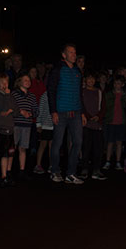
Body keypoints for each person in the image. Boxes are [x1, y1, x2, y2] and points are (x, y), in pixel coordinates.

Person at [47, 43, 86, 184]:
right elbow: (51, 91)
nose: (74, 55)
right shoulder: (57, 70)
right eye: (70, 52)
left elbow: (79, 94)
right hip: (61, 112)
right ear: (64, 55)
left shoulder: (77, 71)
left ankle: (71, 173)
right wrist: (53, 111)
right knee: (57, 143)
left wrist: (81, 113)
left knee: (77, 142)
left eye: (75, 52)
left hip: (75, 112)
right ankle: (55, 171)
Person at [0, 72, 19, 187]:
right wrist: (7, 101)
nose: (5, 85)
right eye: (2, 83)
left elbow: (16, 110)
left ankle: (4, 175)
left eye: (6, 82)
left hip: (9, 128)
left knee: (6, 154)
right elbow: (1, 109)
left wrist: (10, 110)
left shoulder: (11, 97)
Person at [11, 74, 38, 180]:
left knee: (23, 148)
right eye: (25, 80)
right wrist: (21, 112)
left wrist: (32, 113)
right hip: (16, 124)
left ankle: (22, 170)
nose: (28, 81)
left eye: (29, 80)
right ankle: (9, 169)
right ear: (19, 82)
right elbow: (11, 107)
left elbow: (36, 109)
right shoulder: (14, 94)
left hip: (27, 125)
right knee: (13, 148)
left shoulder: (32, 96)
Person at [81, 72, 106, 180]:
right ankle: (84, 169)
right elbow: (80, 105)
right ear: (85, 80)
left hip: (97, 123)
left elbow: (103, 107)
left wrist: (98, 116)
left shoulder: (99, 92)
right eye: (89, 79)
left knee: (98, 148)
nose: (91, 81)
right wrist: (88, 116)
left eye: (92, 79)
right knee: (86, 147)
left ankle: (96, 169)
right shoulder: (82, 92)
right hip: (86, 123)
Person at [102, 75, 126, 170]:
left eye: (119, 84)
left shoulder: (125, 95)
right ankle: (108, 161)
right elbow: (106, 107)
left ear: (122, 84)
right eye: (116, 83)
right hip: (111, 121)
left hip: (121, 122)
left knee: (119, 143)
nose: (117, 85)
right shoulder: (108, 94)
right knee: (110, 142)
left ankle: (118, 161)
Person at [33, 84, 53, 174]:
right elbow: (40, 110)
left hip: (55, 125)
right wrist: (38, 124)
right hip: (45, 125)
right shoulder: (45, 95)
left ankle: (52, 165)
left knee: (52, 146)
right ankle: (38, 165)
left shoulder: (58, 95)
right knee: (42, 145)